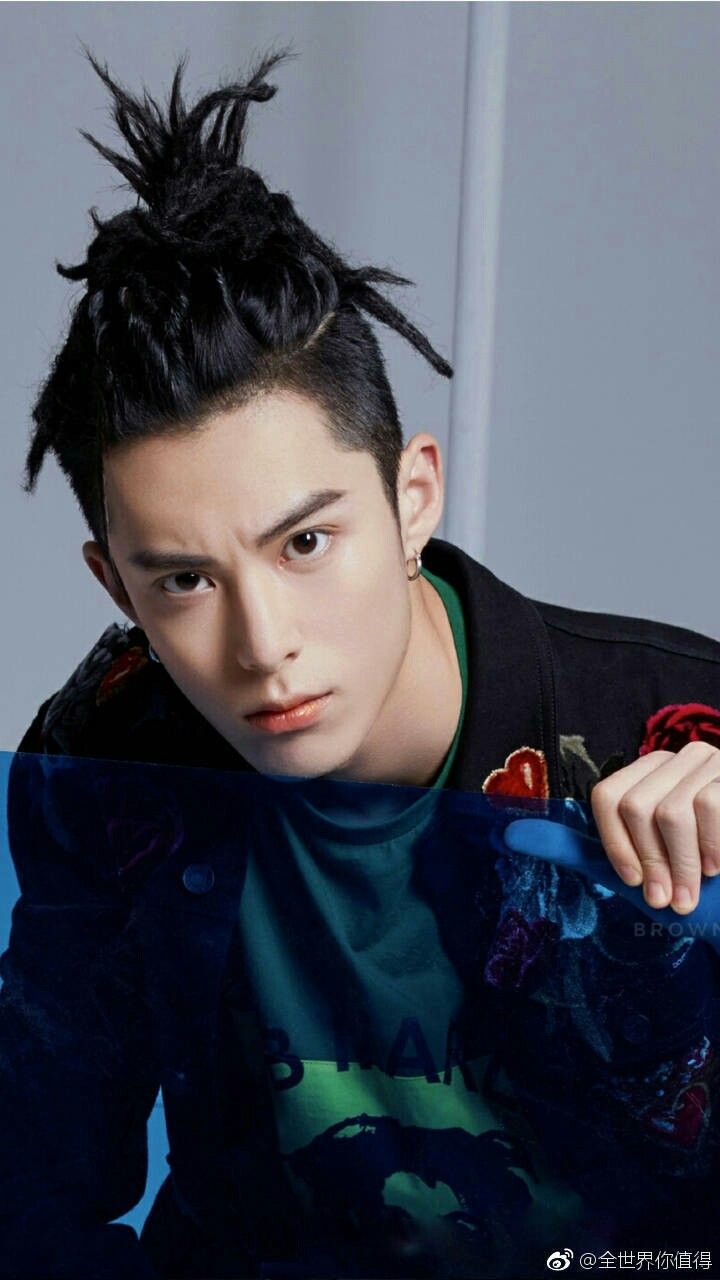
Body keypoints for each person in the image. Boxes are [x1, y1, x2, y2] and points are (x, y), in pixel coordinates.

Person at [3, 45, 720, 1279]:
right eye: (184, 580)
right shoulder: (107, 751)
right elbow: (37, 1185)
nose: (263, 643)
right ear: (115, 586)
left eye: (306, 542)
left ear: (413, 494)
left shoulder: (663, 724)